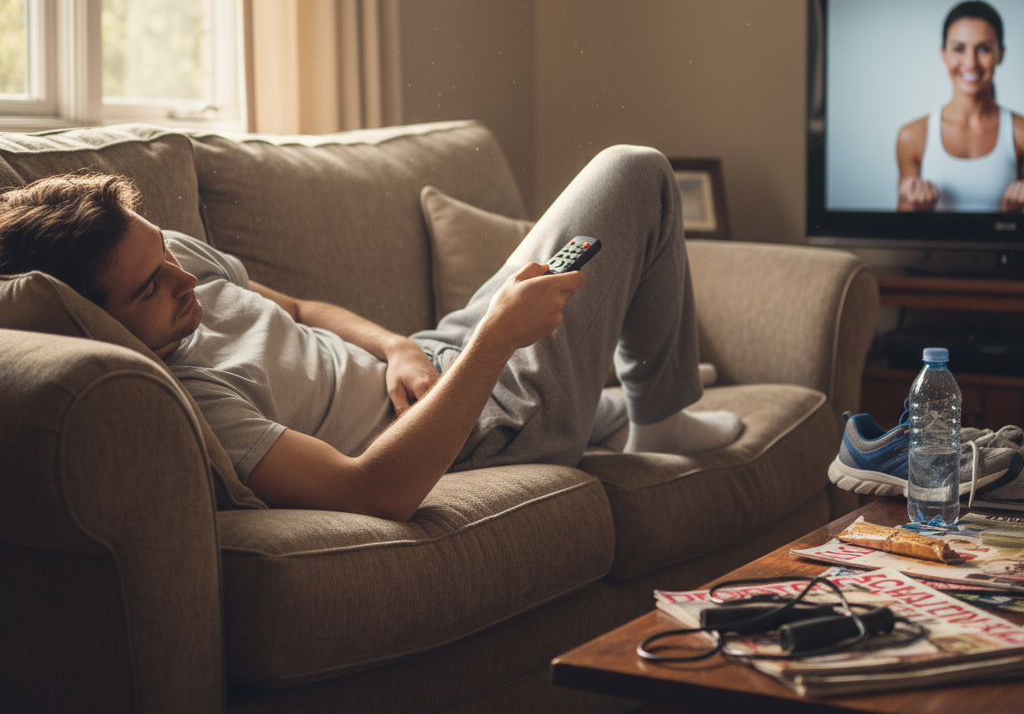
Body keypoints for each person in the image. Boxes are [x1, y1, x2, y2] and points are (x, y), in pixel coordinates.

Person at [0, 146, 742, 520]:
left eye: (163, 251)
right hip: (482, 426)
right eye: (149, 288)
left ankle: (632, 403)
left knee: (592, 372)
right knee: (633, 170)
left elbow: (298, 308)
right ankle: (658, 413)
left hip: (436, 354)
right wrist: (494, 345)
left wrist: (400, 348)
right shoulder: (200, 403)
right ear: (100, 321)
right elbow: (374, 491)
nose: (182, 278)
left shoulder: (176, 262)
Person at [896, 0, 1024, 213]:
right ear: (943, 54)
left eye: (983, 49)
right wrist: (918, 209)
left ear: (1001, 54)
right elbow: (901, 230)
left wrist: (1011, 214)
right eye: (958, 48)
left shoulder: (1020, 133)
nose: (970, 62)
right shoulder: (912, 136)